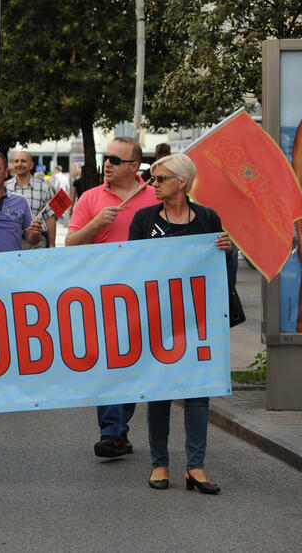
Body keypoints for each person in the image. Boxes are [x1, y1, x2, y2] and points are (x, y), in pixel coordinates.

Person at [128, 154, 231, 494]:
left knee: (198, 393)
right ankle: (160, 463)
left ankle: (196, 467)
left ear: (182, 182)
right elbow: (130, 269)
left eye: (160, 179)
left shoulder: (207, 217)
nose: (153, 184)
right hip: (157, 318)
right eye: (152, 178)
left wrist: (226, 251)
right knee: (159, 390)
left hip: (198, 321)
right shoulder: (144, 219)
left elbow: (222, 274)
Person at [66, 136, 157, 458]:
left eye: (116, 160)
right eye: (106, 158)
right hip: (102, 293)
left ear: (134, 167)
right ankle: (111, 432)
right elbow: (71, 243)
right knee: (109, 361)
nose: (107, 164)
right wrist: (95, 224)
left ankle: (119, 430)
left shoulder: (155, 197)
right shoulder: (91, 198)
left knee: (130, 361)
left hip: (143, 294)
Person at [0, 152, 42, 252]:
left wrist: (35, 234)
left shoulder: (20, 201)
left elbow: (32, 240)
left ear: (6, 172)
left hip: (13, 265)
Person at [7, 150, 56, 249]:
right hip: (12, 243)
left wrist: (52, 245)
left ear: (31, 165)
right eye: (16, 161)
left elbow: (50, 218)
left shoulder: (44, 188)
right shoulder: (4, 188)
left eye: (23, 161)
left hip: (38, 244)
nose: (19, 164)